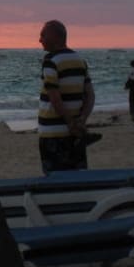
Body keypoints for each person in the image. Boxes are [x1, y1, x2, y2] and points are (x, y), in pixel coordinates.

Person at [37, 20, 96, 174]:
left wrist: (70, 122)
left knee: (56, 182)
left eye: (43, 35)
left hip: (53, 134)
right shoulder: (80, 60)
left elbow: (55, 98)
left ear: (55, 37)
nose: (40, 39)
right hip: (76, 133)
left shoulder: (50, 61)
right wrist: (81, 120)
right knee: (78, 179)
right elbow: (90, 95)